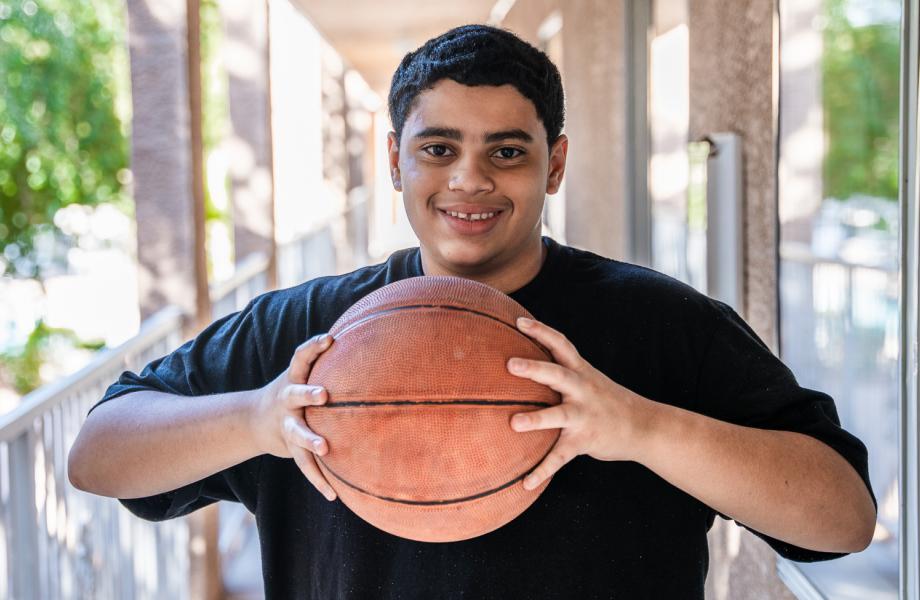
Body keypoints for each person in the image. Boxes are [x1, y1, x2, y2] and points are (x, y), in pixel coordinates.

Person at [68, 24, 876, 599]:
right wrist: (259, 419)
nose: (469, 180)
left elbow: (842, 520)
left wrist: (641, 428)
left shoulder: (665, 323)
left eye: (508, 151)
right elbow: (99, 453)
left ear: (554, 164)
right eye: (438, 148)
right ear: (394, 158)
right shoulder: (305, 334)